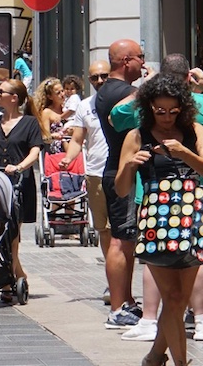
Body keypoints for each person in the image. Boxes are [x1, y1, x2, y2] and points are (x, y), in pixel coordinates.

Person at [115, 74, 203, 366]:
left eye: (173, 111)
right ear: (149, 107)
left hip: (192, 220)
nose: (168, 117)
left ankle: (155, 356)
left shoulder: (194, 130)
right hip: (157, 223)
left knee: (179, 300)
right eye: (160, 111)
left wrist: (183, 153)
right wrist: (130, 166)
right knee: (171, 297)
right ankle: (180, 362)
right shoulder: (137, 136)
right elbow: (121, 189)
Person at [95, 39, 146, 329]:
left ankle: (126, 301)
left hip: (116, 169)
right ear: (126, 61)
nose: (143, 62)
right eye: (140, 57)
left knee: (125, 239)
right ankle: (117, 308)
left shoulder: (107, 90)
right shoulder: (124, 93)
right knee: (121, 239)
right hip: (123, 171)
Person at [0, 78, 45, 292]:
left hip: (19, 182)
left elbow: (35, 151)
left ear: (14, 98)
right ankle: (12, 273)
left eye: (1, 91)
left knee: (12, 232)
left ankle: (10, 274)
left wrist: (19, 166)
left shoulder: (29, 123)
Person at [60, 61, 112, 261]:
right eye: (95, 77)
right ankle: (111, 271)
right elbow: (77, 139)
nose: (100, 80)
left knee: (123, 228)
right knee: (103, 228)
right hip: (95, 173)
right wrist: (68, 158)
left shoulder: (125, 100)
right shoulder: (85, 105)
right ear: (89, 81)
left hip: (121, 171)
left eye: (104, 76)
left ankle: (123, 271)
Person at [34, 77, 66, 154]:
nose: (62, 94)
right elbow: (45, 137)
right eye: (58, 93)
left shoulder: (68, 109)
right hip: (56, 152)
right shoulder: (47, 112)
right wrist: (54, 136)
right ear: (50, 96)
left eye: (62, 91)